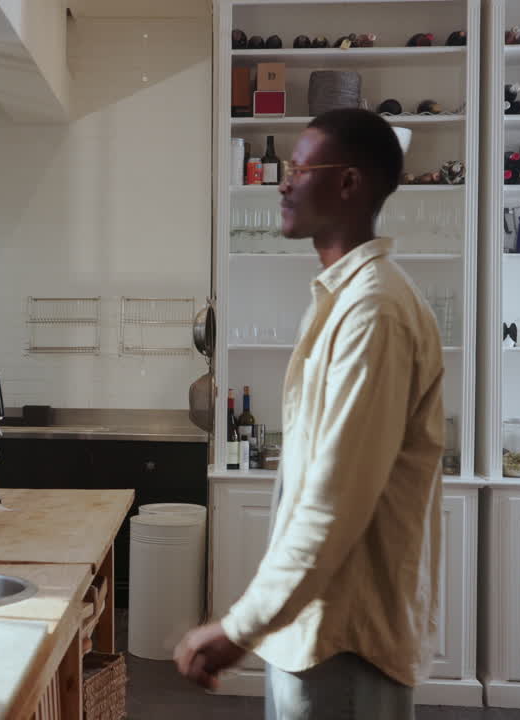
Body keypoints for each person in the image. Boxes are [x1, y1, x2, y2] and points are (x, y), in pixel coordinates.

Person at [174, 108, 445, 720]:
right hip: (316, 633)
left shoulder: (374, 312)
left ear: (349, 183)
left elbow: (334, 498)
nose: (283, 181)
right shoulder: (345, 300)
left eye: (299, 167)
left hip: (344, 641)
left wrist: (238, 626)